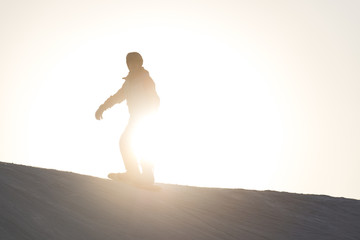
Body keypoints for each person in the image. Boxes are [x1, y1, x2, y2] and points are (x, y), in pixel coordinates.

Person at [95, 52, 160, 184]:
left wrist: (151, 113)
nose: (133, 65)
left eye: (135, 63)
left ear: (140, 63)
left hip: (145, 116)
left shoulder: (145, 79)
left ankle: (146, 175)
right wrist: (103, 107)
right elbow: (118, 96)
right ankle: (134, 173)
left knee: (141, 142)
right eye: (130, 63)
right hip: (135, 117)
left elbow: (155, 98)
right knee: (126, 142)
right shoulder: (129, 82)